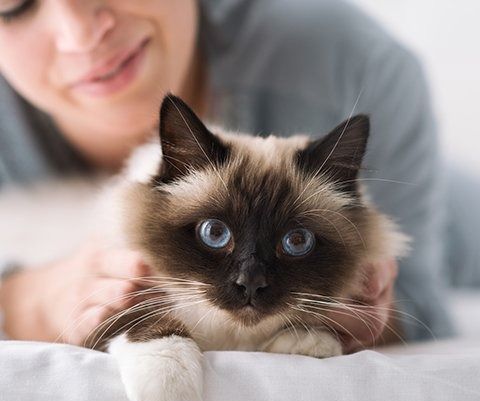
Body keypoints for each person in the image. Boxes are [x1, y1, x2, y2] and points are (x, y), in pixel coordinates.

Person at [0, 0, 465, 348]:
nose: (80, 34)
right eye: (14, 5)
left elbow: (427, 315)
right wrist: (29, 301)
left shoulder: (351, 63)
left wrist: (375, 314)